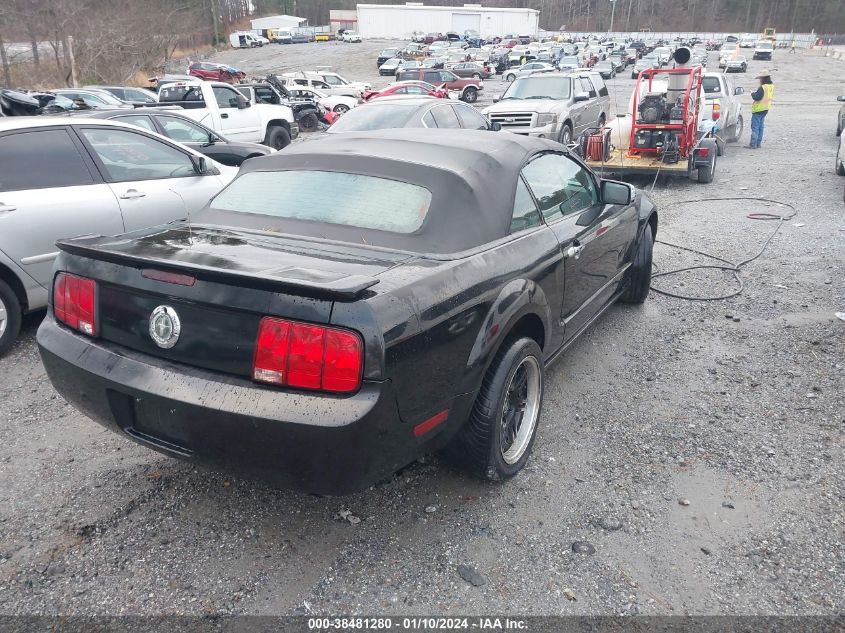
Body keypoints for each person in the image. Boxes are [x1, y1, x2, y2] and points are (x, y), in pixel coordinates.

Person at [747, 71, 774, 149]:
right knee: (761, 127)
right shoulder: (771, 86)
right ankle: (758, 143)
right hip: (766, 108)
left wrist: (752, 94)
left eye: (760, 78)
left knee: (755, 127)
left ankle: (753, 144)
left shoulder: (763, 87)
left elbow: (757, 97)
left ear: (763, 78)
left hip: (758, 109)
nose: (759, 80)